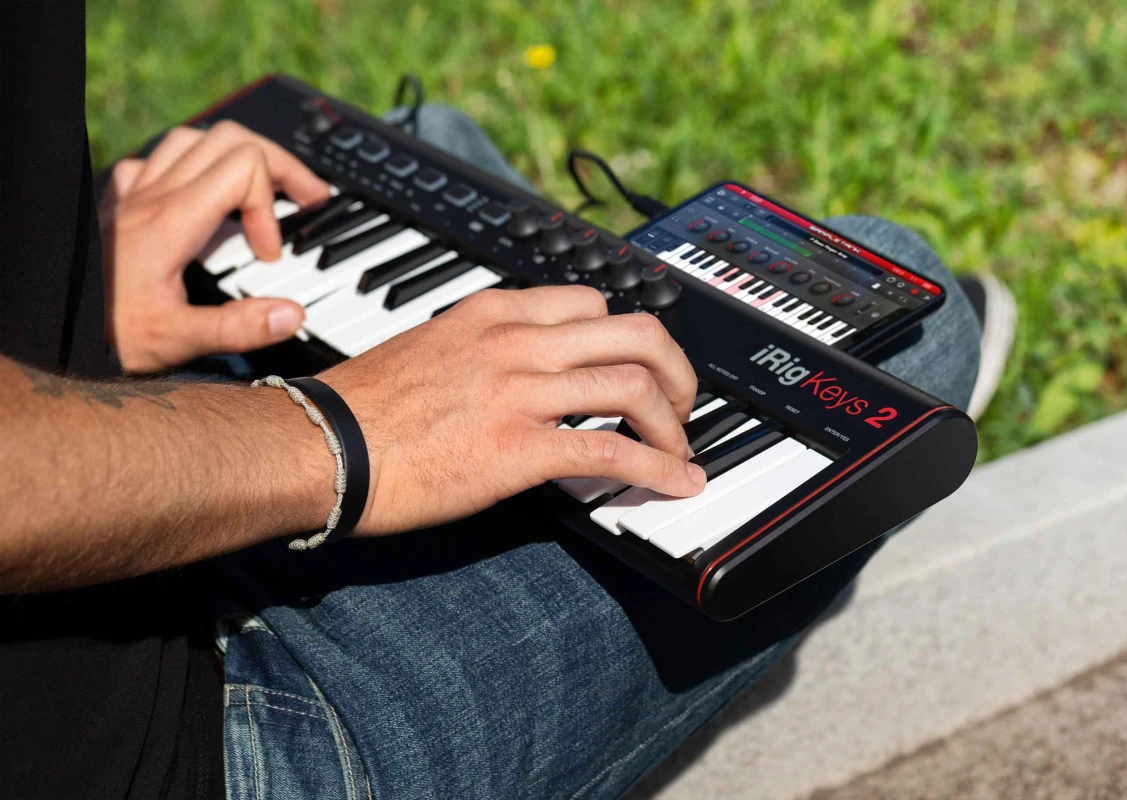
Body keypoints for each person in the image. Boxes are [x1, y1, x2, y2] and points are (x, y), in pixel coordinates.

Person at [0, 4, 983, 799]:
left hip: (87, 563)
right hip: (183, 726)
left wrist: (64, 305)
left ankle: (544, 363)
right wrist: (344, 431)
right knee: (910, 320)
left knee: (428, 142)